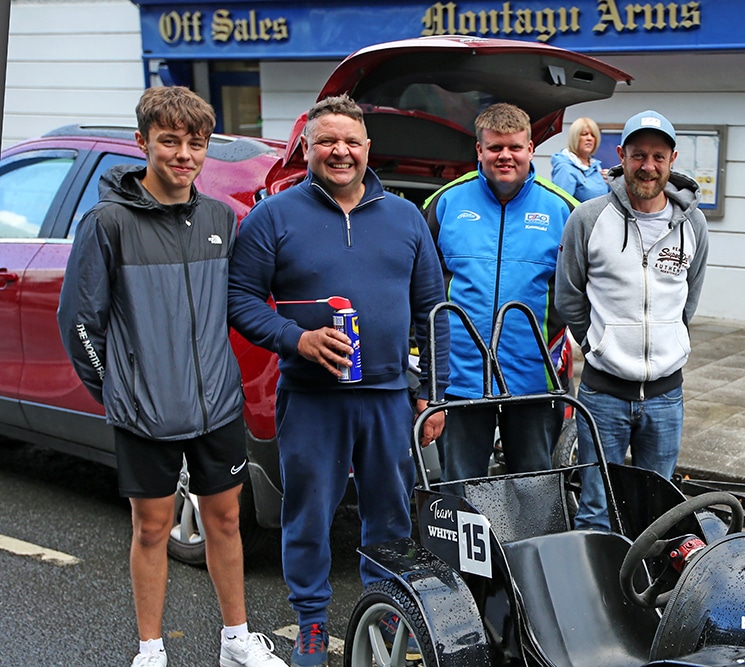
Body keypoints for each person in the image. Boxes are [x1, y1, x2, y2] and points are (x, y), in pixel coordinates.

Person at [57, 87, 286, 667]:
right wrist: (117, 389)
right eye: (169, 140)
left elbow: (239, 301)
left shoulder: (216, 219)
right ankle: (151, 651)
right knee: (153, 528)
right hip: (145, 409)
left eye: (195, 142)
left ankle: (236, 639)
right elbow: (80, 323)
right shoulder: (106, 223)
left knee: (227, 519)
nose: (183, 154)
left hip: (217, 403)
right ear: (143, 144)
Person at [227, 94, 448, 667]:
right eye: (327, 140)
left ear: (368, 148)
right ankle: (309, 629)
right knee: (308, 516)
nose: (340, 151)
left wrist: (436, 393)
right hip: (311, 398)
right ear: (307, 148)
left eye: (351, 140)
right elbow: (240, 299)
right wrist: (294, 339)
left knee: (391, 517)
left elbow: (432, 309)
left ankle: (385, 618)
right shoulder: (273, 217)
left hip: (388, 398)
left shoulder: (404, 217)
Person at [555, 110, 709, 531]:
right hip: (602, 394)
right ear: (621, 156)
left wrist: (670, 341)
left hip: (665, 396)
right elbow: (568, 297)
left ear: (672, 159)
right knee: (596, 509)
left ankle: (646, 595)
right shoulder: (587, 219)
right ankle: (593, 596)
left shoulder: (692, 223)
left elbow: (688, 299)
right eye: (638, 155)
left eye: (658, 156)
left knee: (658, 513)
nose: (648, 166)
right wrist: (598, 345)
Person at [423, 102, 575, 491]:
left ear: (530, 148)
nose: (505, 156)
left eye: (515, 147)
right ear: (479, 150)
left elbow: (583, 291)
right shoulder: (444, 203)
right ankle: (463, 555)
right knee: (460, 490)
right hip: (461, 380)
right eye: (494, 148)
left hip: (535, 379)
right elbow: (423, 290)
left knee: (537, 490)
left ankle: (526, 554)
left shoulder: (565, 210)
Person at [550, 116, 610, 202]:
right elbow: (561, 204)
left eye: (593, 135)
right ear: (575, 138)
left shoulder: (596, 166)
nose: (589, 138)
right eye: (584, 134)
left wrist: (613, 182)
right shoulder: (565, 168)